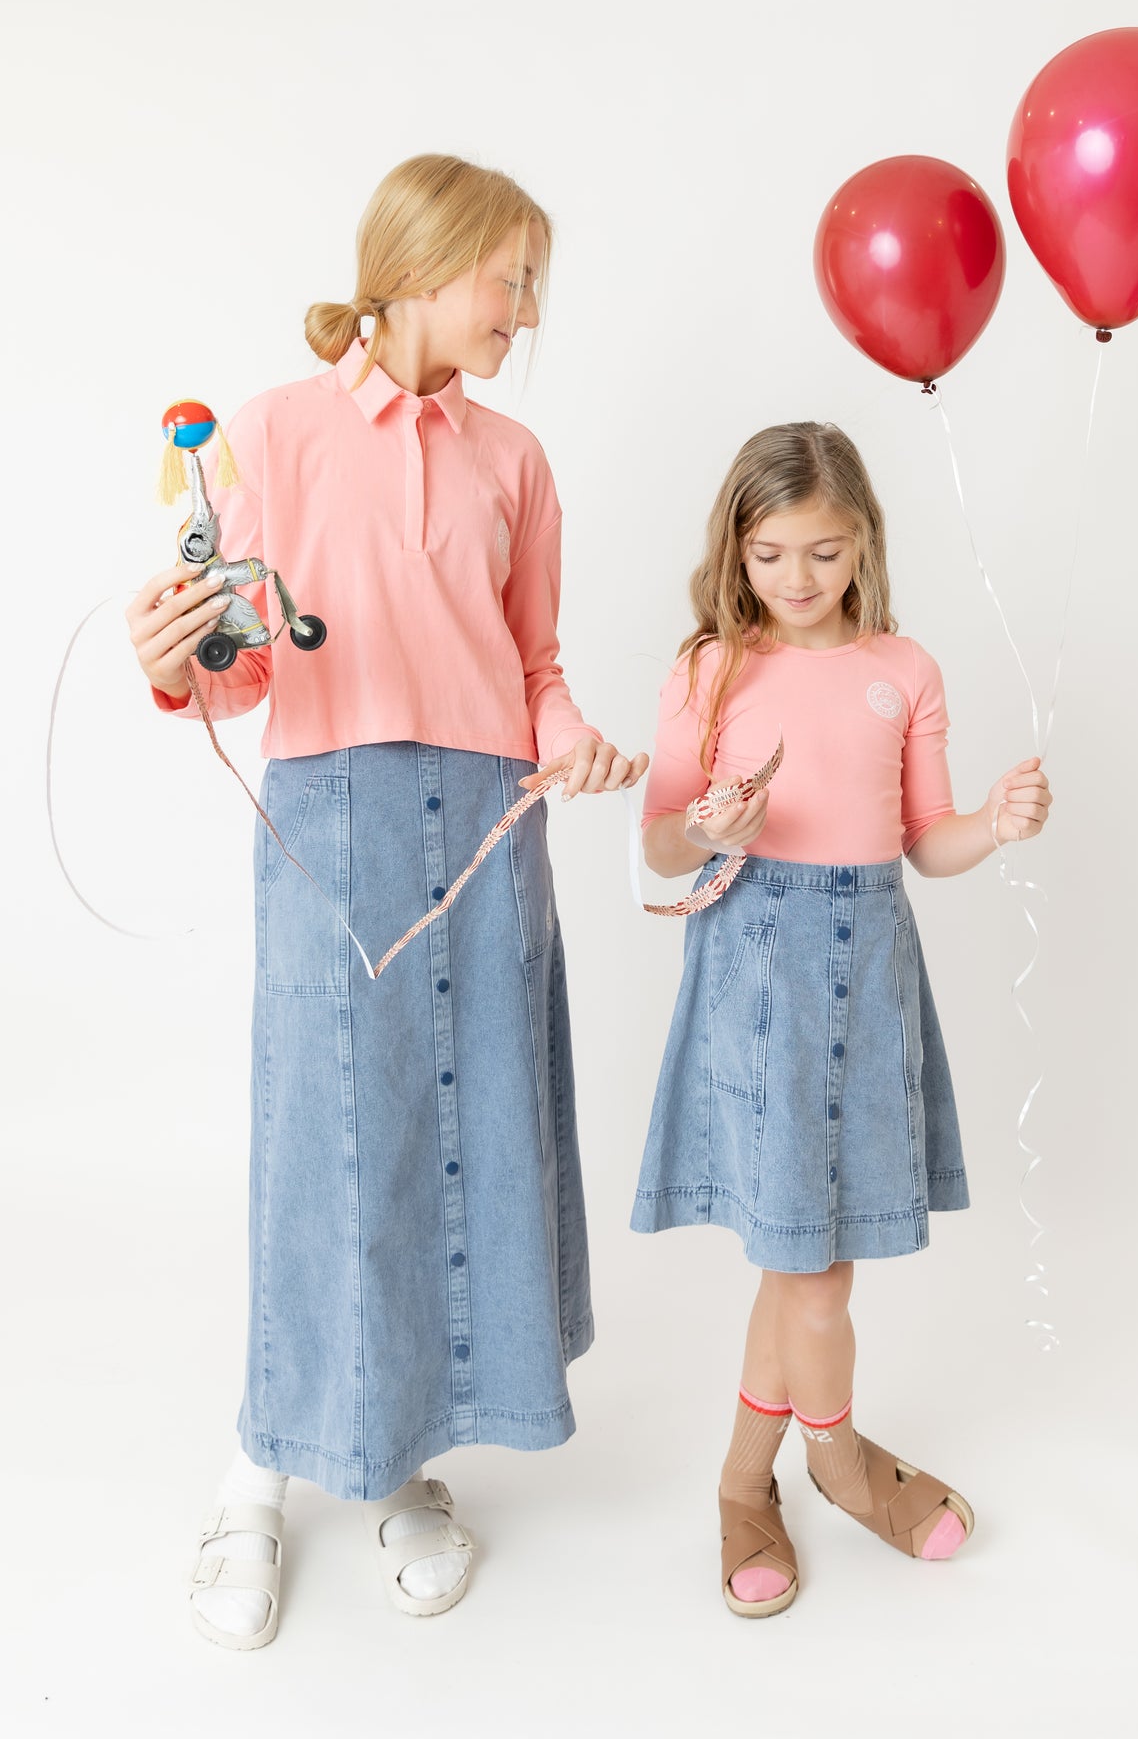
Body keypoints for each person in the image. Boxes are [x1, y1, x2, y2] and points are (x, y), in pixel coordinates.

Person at [125, 154, 646, 1650]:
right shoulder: (270, 434)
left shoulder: (515, 460)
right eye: (509, 277)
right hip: (332, 824)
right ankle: (257, 1472)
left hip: (490, 831)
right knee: (324, 1142)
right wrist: (173, 661)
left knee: (454, 1140)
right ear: (418, 267)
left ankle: (400, 1457)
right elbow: (233, 665)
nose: (526, 310)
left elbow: (535, 665)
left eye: (537, 285)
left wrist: (573, 741)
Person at [633, 421, 1051, 1617]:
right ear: (736, 550)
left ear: (864, 540)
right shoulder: (711, 667)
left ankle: (740, 1484)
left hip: (869, 977)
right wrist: (705, 827)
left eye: (824, 552)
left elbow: (927, 842)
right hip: (754, 975)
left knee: (802, 1255)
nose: (798, 579)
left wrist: (995, 824)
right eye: (770, 555)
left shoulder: (903, 669)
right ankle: (841, 1463)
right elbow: (659, 840)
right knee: (812, 1272)